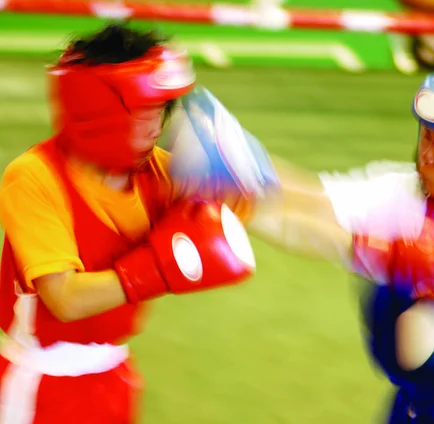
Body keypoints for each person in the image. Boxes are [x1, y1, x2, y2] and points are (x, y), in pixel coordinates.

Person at [172, 67, 434, 423]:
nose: (425, 155)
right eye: (426, 136)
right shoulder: (404, 195)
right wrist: (239, 170)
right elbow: (315, 202)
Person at [0, 23, 257, 423]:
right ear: (96, 108)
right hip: (39, 381)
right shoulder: (34, 177)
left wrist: (240, 180)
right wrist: (159, 269)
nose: (155, 126)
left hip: (114, 373)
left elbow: (239, 216)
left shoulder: (161, 171)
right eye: (141, 110)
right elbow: (65, 300)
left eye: (159, 109)